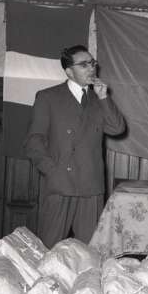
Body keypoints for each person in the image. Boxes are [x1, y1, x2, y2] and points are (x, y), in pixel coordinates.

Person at [24, 45, 125, 248]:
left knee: (89, 253)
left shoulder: (98, 99)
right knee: (49, 249)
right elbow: (33, 142)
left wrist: (104, 97)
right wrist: (53, 171)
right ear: (69, 71)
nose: (91, 68)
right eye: (84, 64)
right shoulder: (48, 97)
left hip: (91, 187)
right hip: (60, 185)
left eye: (92, 63)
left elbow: (117, 128)